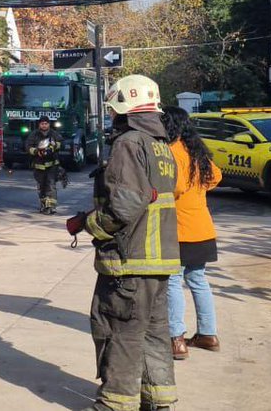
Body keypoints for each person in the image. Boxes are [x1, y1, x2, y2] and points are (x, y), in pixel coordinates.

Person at [66, 74, 180, 411]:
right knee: (153, 332)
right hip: (158, 260)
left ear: (123, 107)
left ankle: (116, 403)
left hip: (129, 260)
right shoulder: (160, 146)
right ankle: (158, 400)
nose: (110, 115)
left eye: (112, 109)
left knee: (120, 331)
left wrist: (89, 224)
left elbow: (126, 205)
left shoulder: (129, 143)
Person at [161, 106, 223, 361]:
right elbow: (216, 177)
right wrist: (197, 191)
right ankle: (208, 334)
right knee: (198, 279)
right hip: (202, 227)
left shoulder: (171, 151)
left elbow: (175, 186)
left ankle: (176, 339)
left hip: (180, 229)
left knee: (173, 281)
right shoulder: (195, 150)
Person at [26, 116, 64, 215]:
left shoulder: (54, 134)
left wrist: (53, 147)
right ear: (39, 125)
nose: (44, 125)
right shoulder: (34, 135)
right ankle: (44, 206)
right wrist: (36, 151)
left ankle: (51, 207)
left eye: (46, 123)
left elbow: (61, 143)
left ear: (49, 124)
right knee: (41, 187)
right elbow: (28, 147)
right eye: (42, 124)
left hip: (52, 165)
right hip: (39, 166)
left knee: (51, 185)